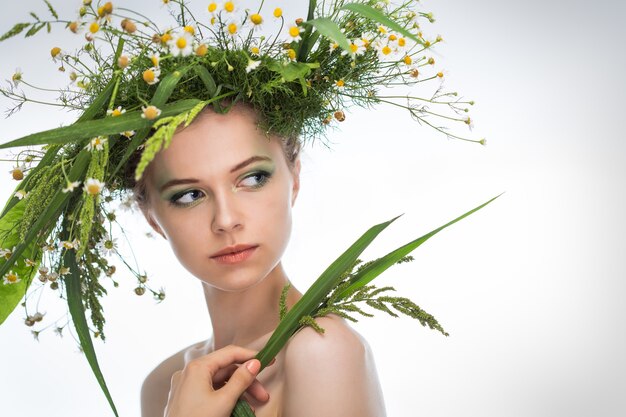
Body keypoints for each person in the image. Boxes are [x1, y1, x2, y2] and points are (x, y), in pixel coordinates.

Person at [136, 103, 386, 416]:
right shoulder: (162, 386)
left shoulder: (321, 350)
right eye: (189, 195)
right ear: (153, 220)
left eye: (253, 178)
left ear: (294, 180)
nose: (226, 220)